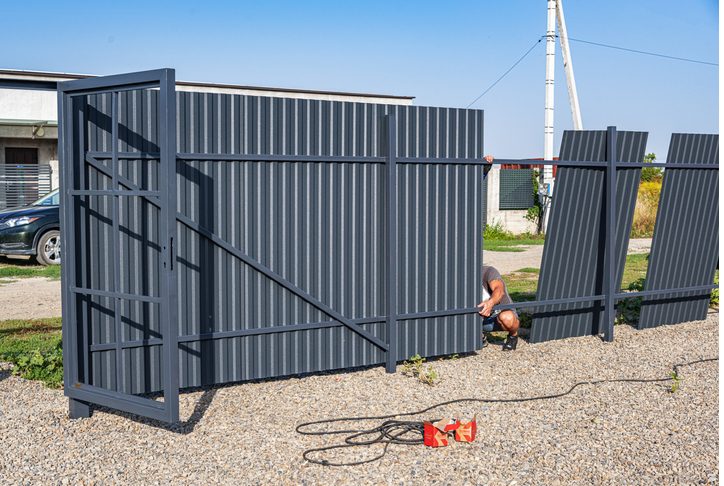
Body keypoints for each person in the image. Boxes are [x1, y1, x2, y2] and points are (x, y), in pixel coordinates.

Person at [477, 265, 520, 351]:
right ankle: (481, 338)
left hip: (498, 316)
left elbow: (499, 290)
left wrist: (490, 303)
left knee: (508, 317)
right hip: (480, 320)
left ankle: (513, 336)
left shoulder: (488, 271)